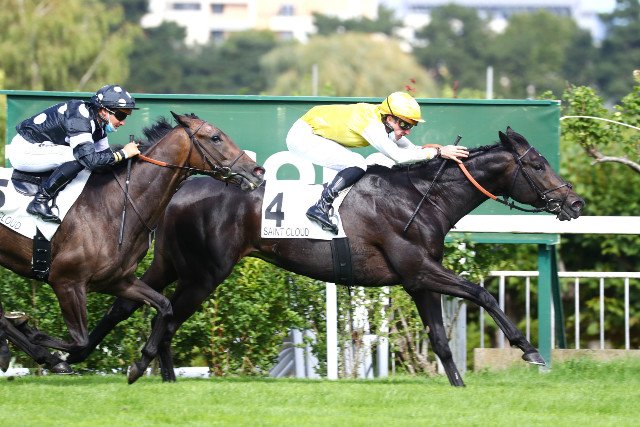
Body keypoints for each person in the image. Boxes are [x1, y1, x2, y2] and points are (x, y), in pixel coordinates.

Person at [286, 91, 469, 234]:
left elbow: (412, 150)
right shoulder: (372, 125)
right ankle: (320, 207)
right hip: (303, 136)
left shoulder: (383, 121)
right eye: (405, 125)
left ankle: (330, 207)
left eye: (411, 126)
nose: (407, 131)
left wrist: (438, 153)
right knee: (356, 163)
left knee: (354, 164)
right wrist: (438, 152)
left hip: (315, 132)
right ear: (389, 118)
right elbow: (399, 157)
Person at [8, 84, 141, 223]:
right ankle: (40, 200)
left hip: (42, 148)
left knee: (88, 156)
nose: (123, 122)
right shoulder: (79, 119)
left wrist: (129, 157)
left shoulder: (99, 126)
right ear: (103, 111)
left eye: (126, 116)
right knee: (80, 157)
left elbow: (105, 160)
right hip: (24, 151)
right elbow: (91, 160)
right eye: (121, 115)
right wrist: (124, 153)